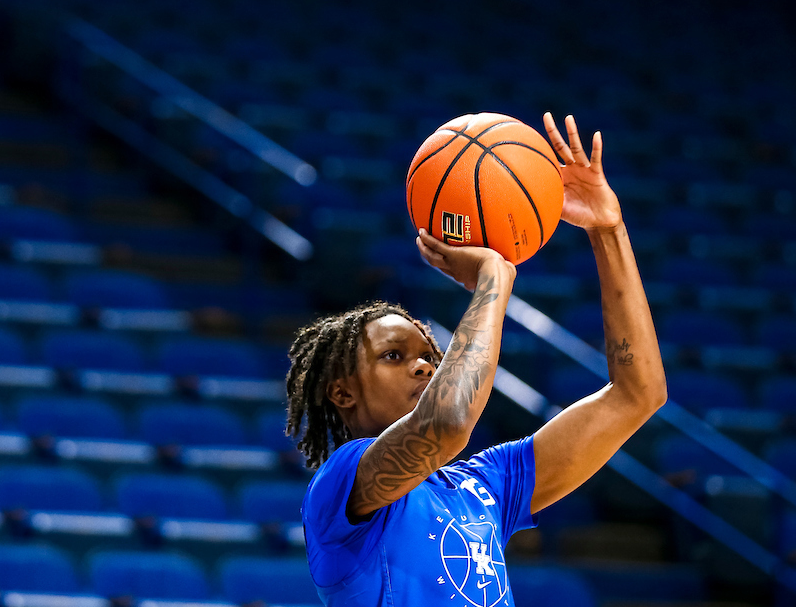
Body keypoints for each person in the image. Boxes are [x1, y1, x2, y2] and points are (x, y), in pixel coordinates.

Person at [286, 114, 667, 606]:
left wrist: (608, 230)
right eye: (394, 356)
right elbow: (447, 422)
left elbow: (639, 394)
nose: (424, 366)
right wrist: (494, 276)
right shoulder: (340, 483)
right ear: (343, 391)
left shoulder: (486, 485)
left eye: (430, 356)